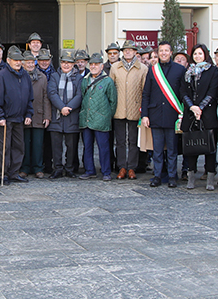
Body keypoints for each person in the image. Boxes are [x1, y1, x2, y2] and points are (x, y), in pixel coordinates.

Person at [140, 41, 186, 188]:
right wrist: (145, 115)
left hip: (173, 115)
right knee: (157, 149)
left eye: (167, 50)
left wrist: (183, 113)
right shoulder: (153, 70)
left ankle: (172, 176)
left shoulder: (179, 70)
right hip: (155, 115)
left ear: (171, 53)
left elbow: (183, 93)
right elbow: (146, 94)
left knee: (172, 149)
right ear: (158, 53)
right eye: (161, 51)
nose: (164, 53)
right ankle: (157, 175)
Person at [0, 46, 32, 184]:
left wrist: (29, 114)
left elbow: (30, 98)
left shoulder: (25, 75)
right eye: (15, 60)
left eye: (20, 60)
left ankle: (14, 172)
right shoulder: (1, 75)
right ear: (8, 60)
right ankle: (4, 173)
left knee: (19, 147)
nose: (18, 62)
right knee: (4, 147)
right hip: (5, 119)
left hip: (19, 118)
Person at [181, 44, 218, 190]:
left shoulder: (212, 71)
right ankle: (191, 176)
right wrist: (192, 107)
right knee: (191, 148)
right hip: (191, 114)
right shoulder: (188, 71)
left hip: (207, 114)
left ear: (205, 55)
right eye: (195, 54)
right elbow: (182, 91)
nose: (197, 56)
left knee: (210, 148)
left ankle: (210, 177)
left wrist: (200, 108)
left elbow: (213, 91)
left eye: (200, 54)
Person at [110, 39, 146, 179]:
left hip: (135, 109)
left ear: (135, 52)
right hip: (119, 109)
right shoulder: (115, 67)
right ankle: (121, 167)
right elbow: (111, 88)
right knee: (120, 141)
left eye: (130, 50)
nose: (128, 52)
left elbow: (144, 90)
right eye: (125, 50)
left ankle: (132, 167)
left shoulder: (142, 68)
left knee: (133, 140)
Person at [78, 53, 116, 180]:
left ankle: (106, 172)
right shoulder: (85, 80)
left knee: (103, 148)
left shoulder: (108, 81)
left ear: (101, 66)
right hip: (87, 118)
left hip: (101, 119)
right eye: (92, 64)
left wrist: (106, 116)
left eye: (96, 64)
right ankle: (90, 170)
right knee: (87, 146)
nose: (93, 66)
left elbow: (113, 102)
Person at [47, 50, 83, 179]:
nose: (66, 65)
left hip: (72, 116)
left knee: (71, 145)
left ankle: (69, 168)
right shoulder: (54, 76)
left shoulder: (79, 78)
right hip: (57, 116)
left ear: (73, 64)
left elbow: (79, 95)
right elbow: (52, 93)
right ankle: (57, 168)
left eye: (69, 63)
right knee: (56, 146)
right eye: (63, 62)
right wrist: (62, 107)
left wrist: (69, 108)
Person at [21, 51, 51, 177]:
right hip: (23, 116)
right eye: (27, 62)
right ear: (23, 64)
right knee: (25, 144)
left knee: (38, 144)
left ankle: (38, 168)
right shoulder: (20, 76)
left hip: (39, 114)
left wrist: (47, 116)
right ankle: (24, 168)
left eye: (31, 62)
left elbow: (46, 98)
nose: (29, 65)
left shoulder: (42, 77)